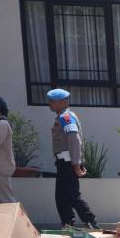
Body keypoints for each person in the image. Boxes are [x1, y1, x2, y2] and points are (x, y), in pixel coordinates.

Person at [46, 88, 97, 229]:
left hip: (68, 163)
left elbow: (74, 140)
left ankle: (91, 221)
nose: (49, 103)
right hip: (63, 162)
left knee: (72, 195)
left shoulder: (66, 118)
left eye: (52, 101)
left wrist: (76, 164)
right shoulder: (61, 117)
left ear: (62, 102)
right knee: (61, 197)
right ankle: (68, 224)